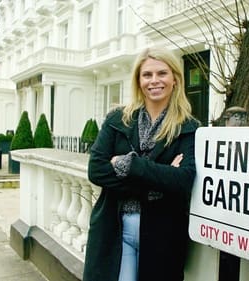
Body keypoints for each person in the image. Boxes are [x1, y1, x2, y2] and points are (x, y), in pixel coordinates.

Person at [83, 47, 200, 281]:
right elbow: (96, 170)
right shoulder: (118, 119)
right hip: (114, 227)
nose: (154, 81)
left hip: (162, 234)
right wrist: (159, 181)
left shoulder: (189, 127)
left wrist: (130, 165)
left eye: (162, 73)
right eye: (147, 75)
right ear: (138, 80)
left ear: (175, 79)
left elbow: (184, 180)